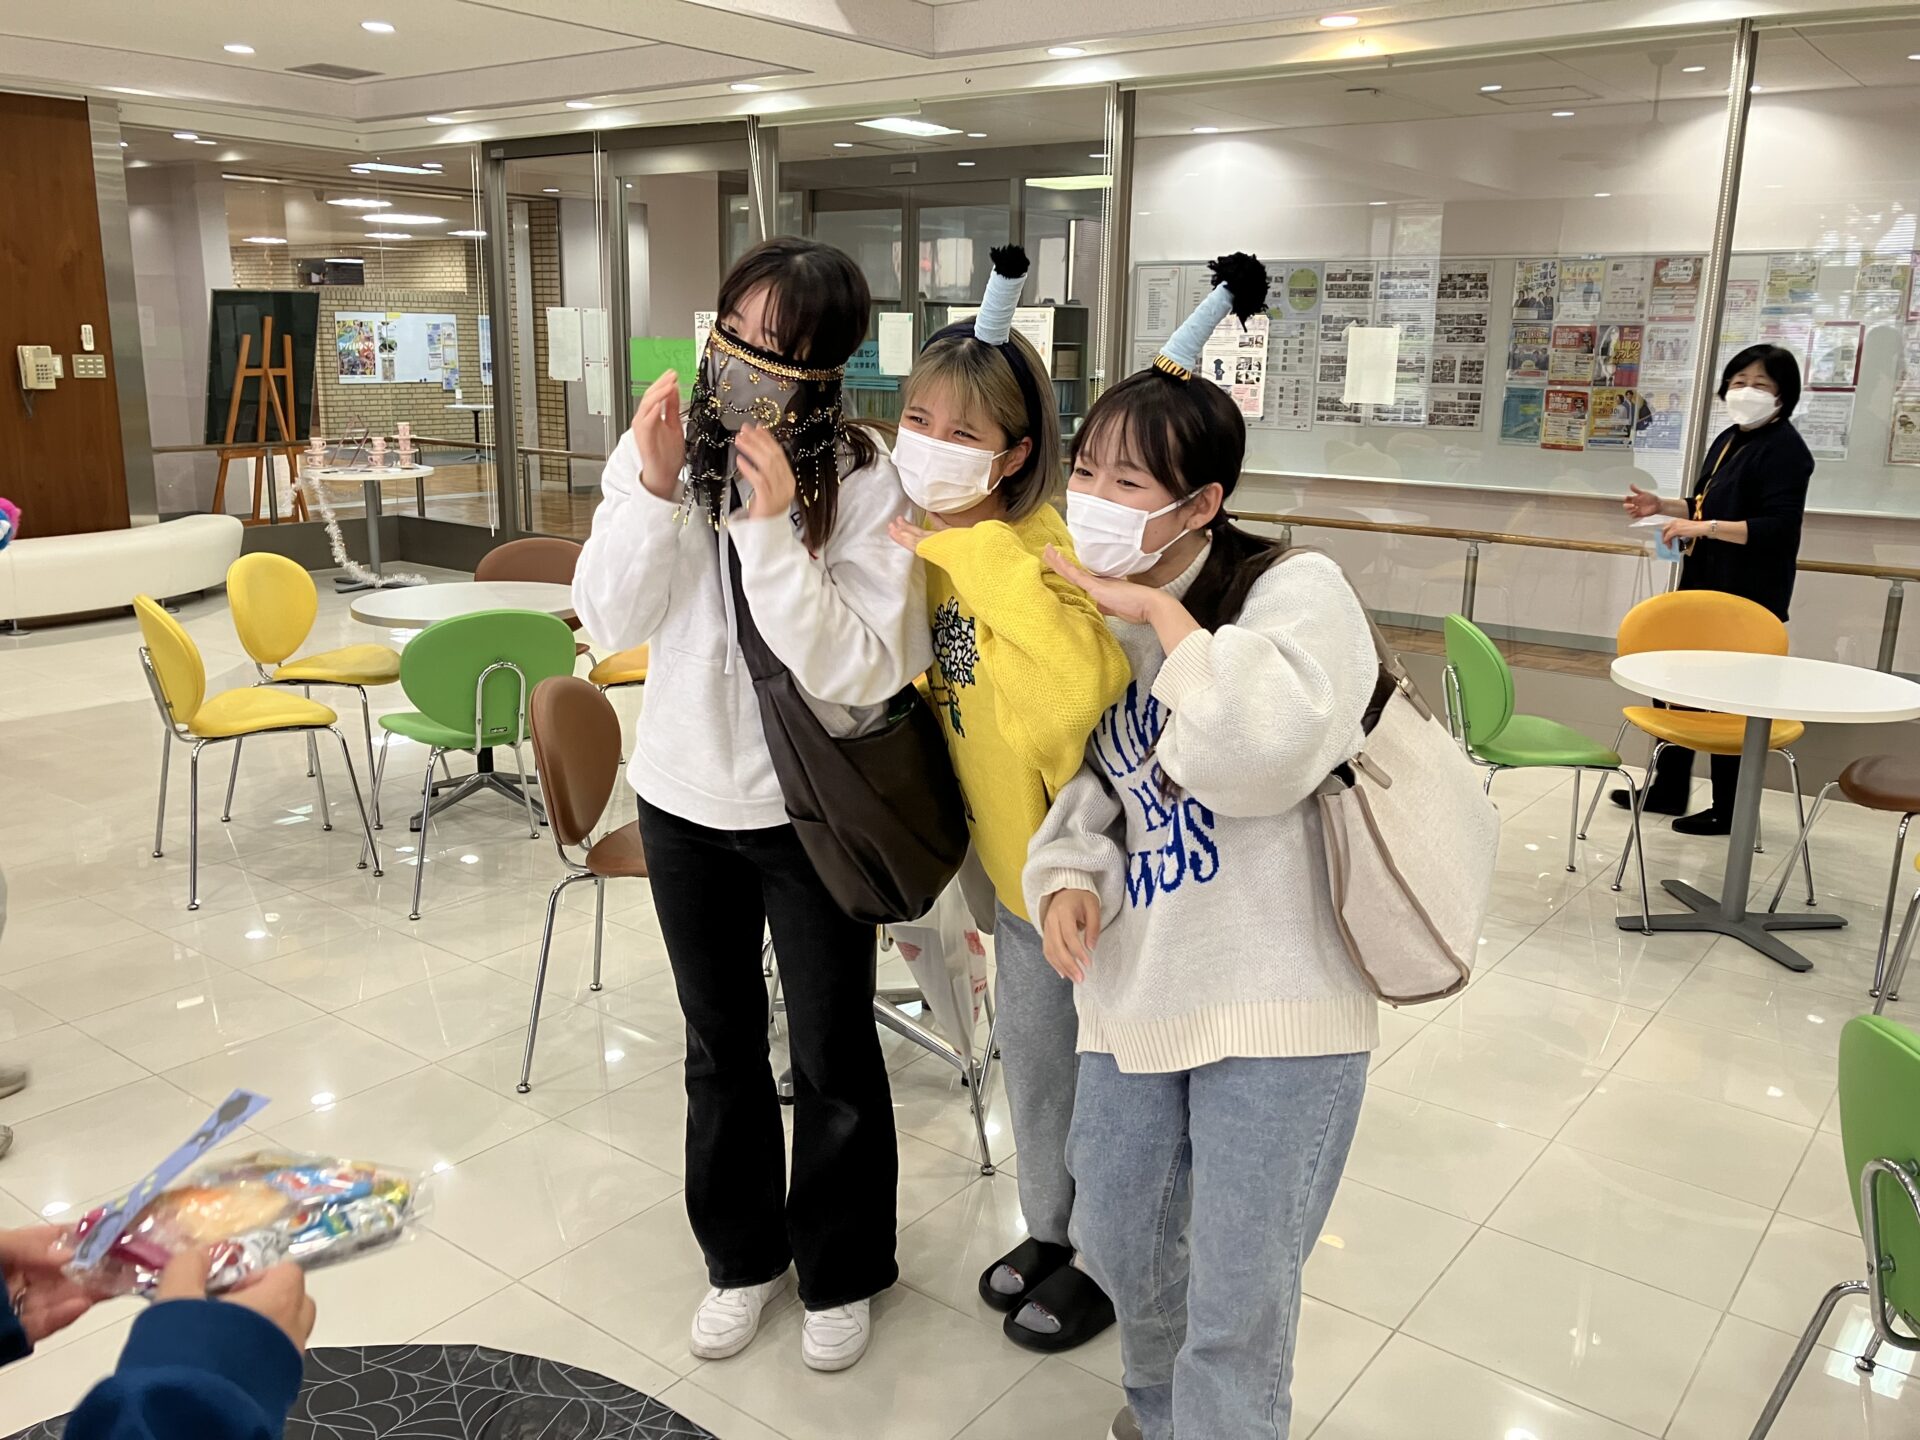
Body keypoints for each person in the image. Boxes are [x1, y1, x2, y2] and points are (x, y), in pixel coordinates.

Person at [1025, 255, 1379, 1440]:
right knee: (1120, 1237)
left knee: (1239, 1291)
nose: (1093, 498)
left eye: (1126, 481)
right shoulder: (1087, 608)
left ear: (1202, 503)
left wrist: (1166, 621)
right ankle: (1156, 1412)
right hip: (1139, 992)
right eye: (1085, 470)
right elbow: (1089, 781)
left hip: (1281, 1002)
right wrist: (1066, 878)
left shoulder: (1296, 591)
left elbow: (1259, 753)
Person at [572, 238, 926, 1373]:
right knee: (718, 1045)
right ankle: (739, 1258)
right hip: (680, 801)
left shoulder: (863, 478)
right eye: (737, 331)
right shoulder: (666, 451)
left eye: (781, 347)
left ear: (828, 367)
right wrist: (654, 489)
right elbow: (609, 620)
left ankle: (841, 1268)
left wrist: (771, 534)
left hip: (807, 811)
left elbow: (861, 667)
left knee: (831, 1050)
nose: (747, 361)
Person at [885, 246, 1130, 1352]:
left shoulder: (1035, 553)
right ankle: (1054, 1230)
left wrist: (979, 559)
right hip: (1012, 877)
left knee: (1105, 1083)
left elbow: (1070, 708)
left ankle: (1107, 1259)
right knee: (1036, 1072)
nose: (932, 444)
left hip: (1089, 880)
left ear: (1017, 452)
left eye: (964, 431)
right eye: (918, 419)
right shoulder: (935, 548)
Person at [1613, 343, 1814, 834]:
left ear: (1783, 395)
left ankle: (1730, 809)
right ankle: (1668, 788)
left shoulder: (1786, 450)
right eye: (1739, 382)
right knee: (1676, 685)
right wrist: (1664, 506)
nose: (1746, 391)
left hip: (1747, 597)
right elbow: (1704, 503)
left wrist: (1703, 529)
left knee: (1732, 700)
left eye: (1760, 384)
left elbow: (1777, 528)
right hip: (1704, 586)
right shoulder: (1730, 439)